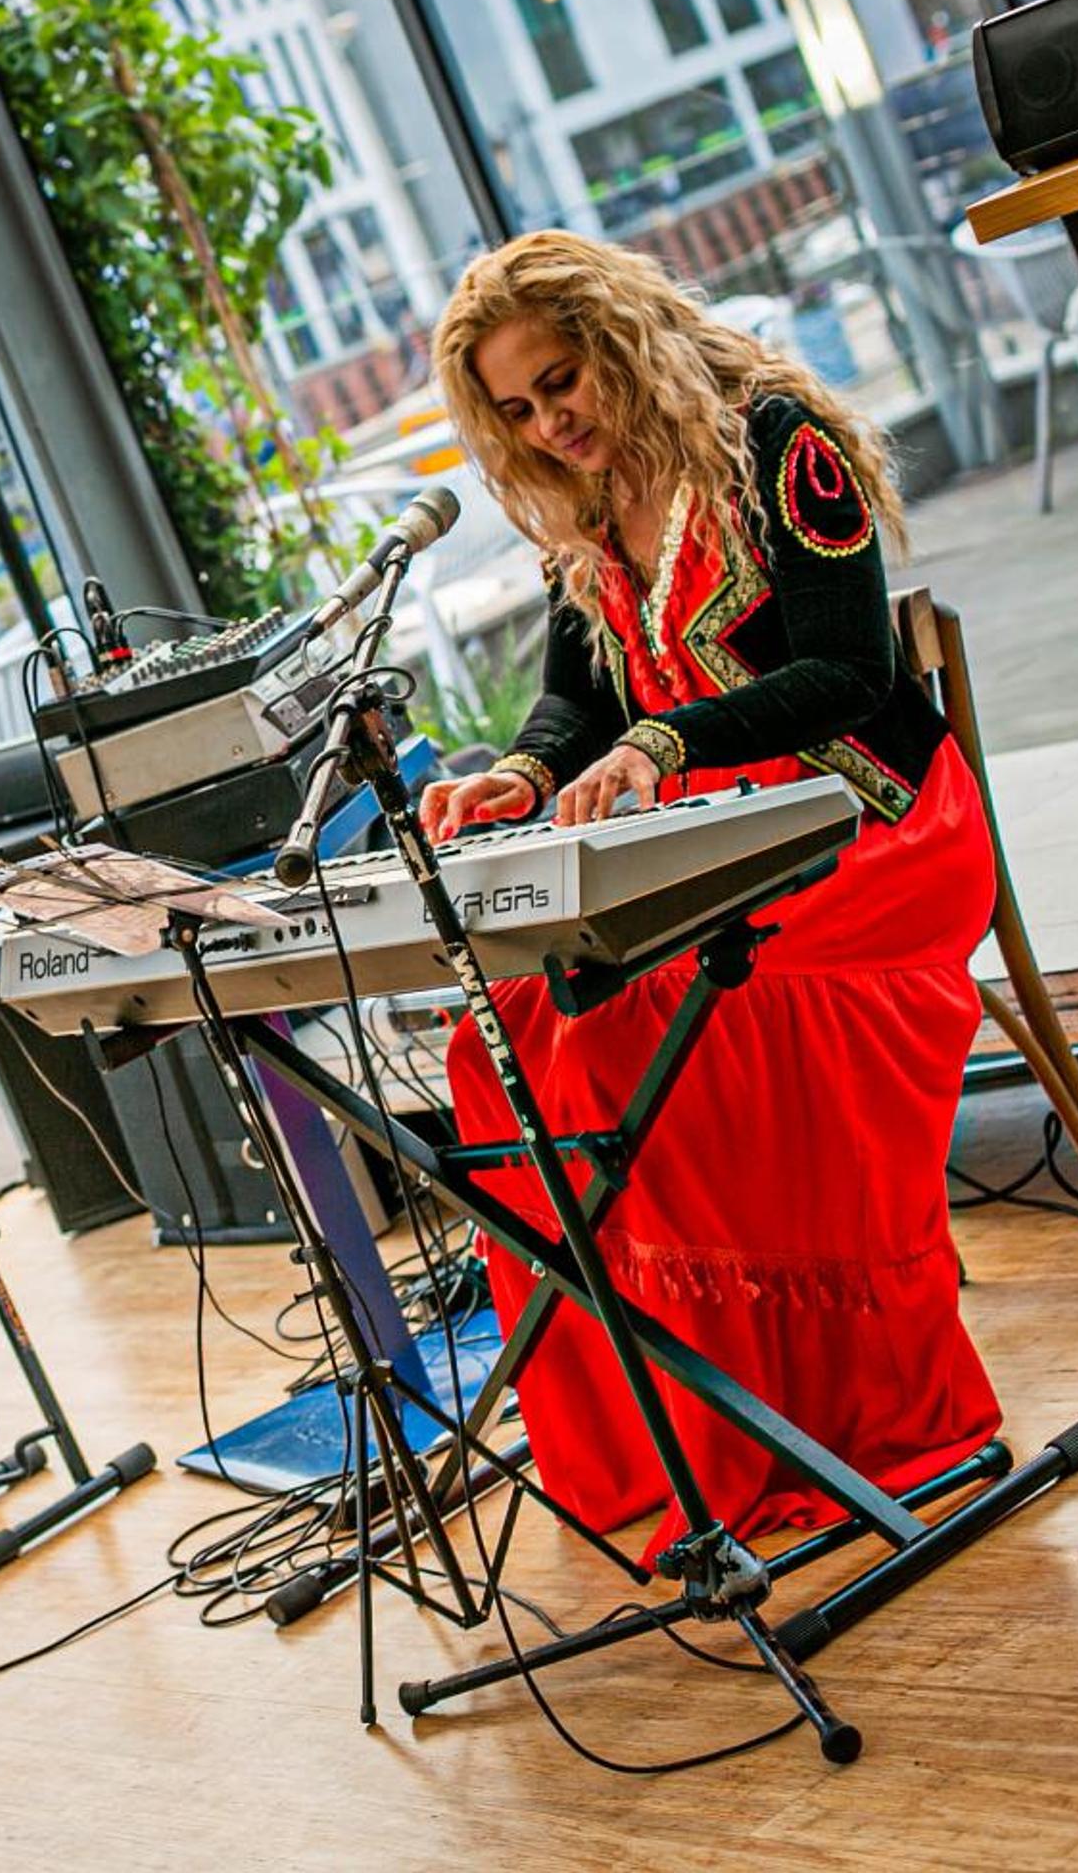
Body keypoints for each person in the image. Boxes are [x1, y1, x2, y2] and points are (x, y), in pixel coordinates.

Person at [417, 233, 1003, 1556]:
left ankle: (822, 1410)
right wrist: (520, 772)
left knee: (657, 1023)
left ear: (617, 339)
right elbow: (577, 696)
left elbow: (850, 674)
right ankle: (676, 1429)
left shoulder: (778, 440)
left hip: (873, 826)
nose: (549, 423)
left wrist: (663, 744)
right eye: (517, 410)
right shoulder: (585, 496)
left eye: (561, 382)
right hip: (715, 833)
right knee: (503, 1028)